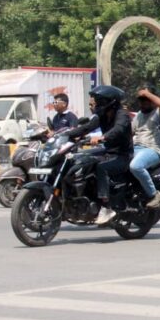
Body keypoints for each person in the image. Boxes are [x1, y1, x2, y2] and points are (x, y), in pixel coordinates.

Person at [65, 85, 133, 225]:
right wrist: (64, 135)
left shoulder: (122, 115)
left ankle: (106, 206)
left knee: (101, 168)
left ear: (108, 101)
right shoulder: (102, 116)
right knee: (80, 158)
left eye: (98, 100)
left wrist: (103, 138)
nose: (95, 104)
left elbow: (118, 130)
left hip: (122, 155)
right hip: (108, 152)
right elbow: (86, 128)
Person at [129, 87, 160, 210]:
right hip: (136, 148)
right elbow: (129, 133)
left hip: (154, 150)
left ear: (153, 100)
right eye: (141, 100)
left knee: (135, 166)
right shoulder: (139, 115)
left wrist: (147, 93)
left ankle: (154, 195)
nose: (143, 103)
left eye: (146, 100)